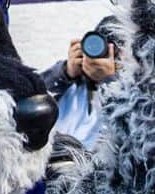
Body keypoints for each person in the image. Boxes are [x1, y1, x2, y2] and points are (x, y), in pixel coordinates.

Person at [41, 19, 119, 150]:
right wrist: (64, 73)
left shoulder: (138, 91)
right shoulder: (69, 83)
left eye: (116, 54)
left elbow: (132, 125)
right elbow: (28, 98)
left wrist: (111, 81)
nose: (106, 59)